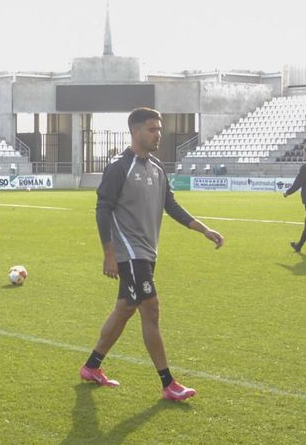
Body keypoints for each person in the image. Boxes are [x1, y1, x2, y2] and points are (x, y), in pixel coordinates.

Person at [78, 108, 223, 401]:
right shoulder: (119, 167)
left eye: (159, 129)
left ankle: (91, 367)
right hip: (129, 253)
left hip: (147, 252)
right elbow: (103, 210)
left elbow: (171, 205)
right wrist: (110, 254)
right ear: (135, 131)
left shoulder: (157, 167)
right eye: (152, 129)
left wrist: (203, 229)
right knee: (151, 309)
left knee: (125, 309)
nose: (159, 134)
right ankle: (168, 383)